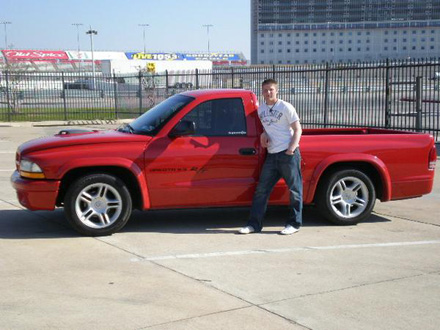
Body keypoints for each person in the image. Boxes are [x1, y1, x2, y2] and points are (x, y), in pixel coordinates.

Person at [239, 79, 303, 235]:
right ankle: (254, 225)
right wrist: (263, 134)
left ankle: (293, 224)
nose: (268, 92)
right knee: (261, 191)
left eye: (271, 89)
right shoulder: (261, 110)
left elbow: (297, 129)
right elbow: (268, 127)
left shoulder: (286, 107)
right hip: (272, 155)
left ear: (277, 91)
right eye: (266, 90)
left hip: (288, 154)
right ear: (262, 92)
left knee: (295, 190)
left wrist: (291, 150)